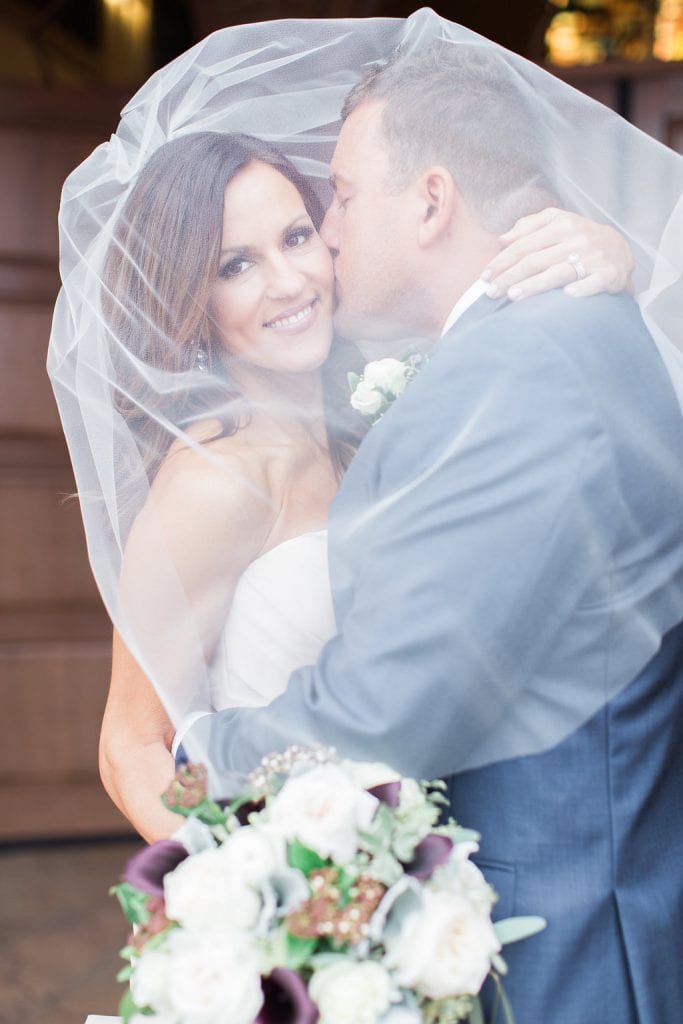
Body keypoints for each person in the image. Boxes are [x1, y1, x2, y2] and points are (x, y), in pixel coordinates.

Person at [183, 39, 683, 1024]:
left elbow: (382, 710)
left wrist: (198, 753)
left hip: (569, 955)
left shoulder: (523, 368)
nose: (323, 236)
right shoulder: (521, 342)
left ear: (429, 199)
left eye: (339, 196)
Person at [95, 124, 629, 843]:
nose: (288, 283)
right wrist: (257, 901)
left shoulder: (377, 432)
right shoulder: (215, 485)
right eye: (234, 267)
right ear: (191, 300)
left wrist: (604, 254)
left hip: (427, 865)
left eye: (294, 238)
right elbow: (129, 749)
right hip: (303, 896)